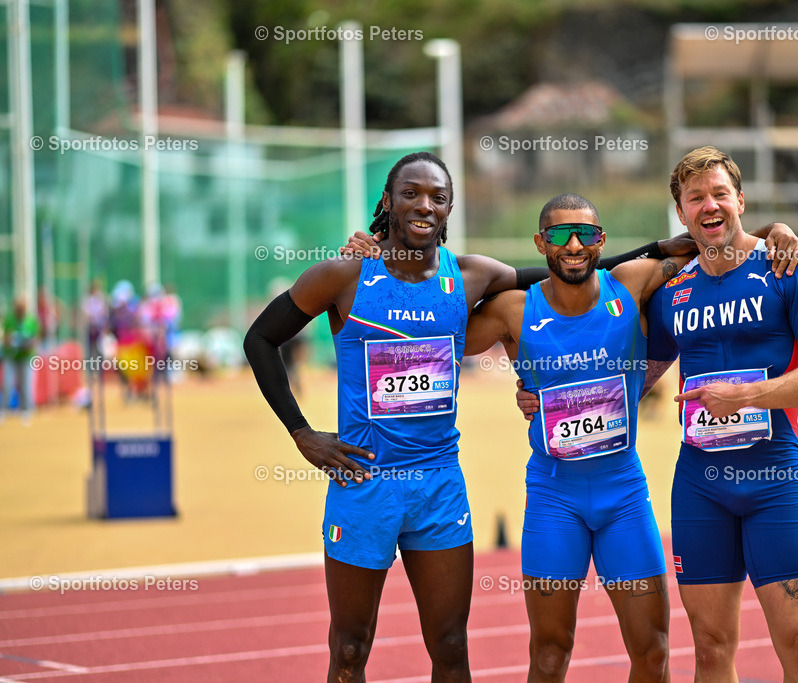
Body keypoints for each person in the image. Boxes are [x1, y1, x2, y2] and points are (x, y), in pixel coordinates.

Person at [244, 151, 704, 681]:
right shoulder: (344, 276)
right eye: (410, 193)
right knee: (349, 648)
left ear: (449, 209)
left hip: (440, 480)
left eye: (437, 197)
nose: (423, 205)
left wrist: (653, 251)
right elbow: (260, 338)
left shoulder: (472, 276)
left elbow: (567, 270)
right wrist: (301, 434)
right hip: (364, 481)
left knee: (451, 644)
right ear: (387, 203)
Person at [484, 195, 798, 681]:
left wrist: (777, 229)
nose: (573, 244)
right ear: (538, 242)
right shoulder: (512, 309)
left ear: (603, 241)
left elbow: (718, 242)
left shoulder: (632, 283)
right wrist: (380, 256)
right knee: (550, 653)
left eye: (586, 235)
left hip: (624, 497)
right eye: (557, 235)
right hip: (554, 497)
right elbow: (442, 313)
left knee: (654, 653)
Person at [648, 146, 798, 681]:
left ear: (740, 200)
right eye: (696, 198)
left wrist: (749, 396)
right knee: (712, 649)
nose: (709, 205)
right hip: (700, 484)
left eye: (719, 193)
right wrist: (546, 395)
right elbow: (633, 379)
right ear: (682, 213)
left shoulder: (789, 268)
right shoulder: (669, 291)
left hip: (774, 477)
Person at [1, 296, 41, 422]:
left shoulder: (31, 320)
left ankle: (26, 409)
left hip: (26, 356)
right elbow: (5, 337)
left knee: (26, 384)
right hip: (11, 356)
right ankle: (4, 409)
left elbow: (35, 339)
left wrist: (27, 343)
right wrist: (12, 340)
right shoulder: (9, 319)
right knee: (7, 383)